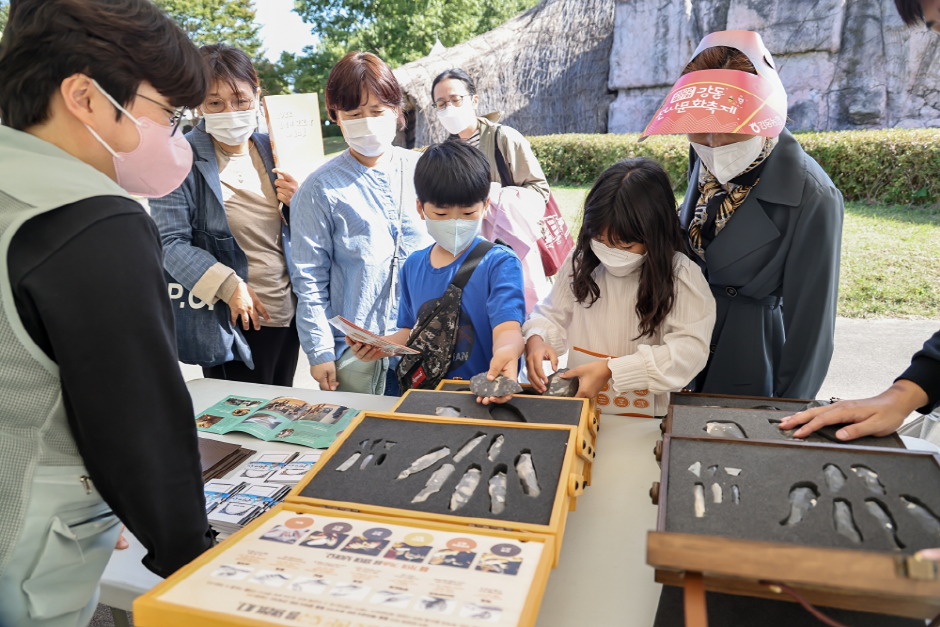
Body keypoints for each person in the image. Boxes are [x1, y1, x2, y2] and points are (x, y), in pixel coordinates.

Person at [0, 1, 214, 625]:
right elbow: (136, 415)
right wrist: (186, 552)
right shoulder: (91, 215)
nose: (175, 136)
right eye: (167, 114)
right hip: (30, 536)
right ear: (84, 97)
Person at [641, 30, 844, 401]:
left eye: (730, 133)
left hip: (745, 352)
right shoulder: (702, 157)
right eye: (700, 133)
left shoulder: (813, 196)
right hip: (679, 337)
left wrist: (784, 413)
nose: (715, 146)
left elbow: (811, 331)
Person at [151, 44, 301, 386]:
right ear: (198, 104)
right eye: (215, 103)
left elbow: (303, 232)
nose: (229, 111)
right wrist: (228, 284)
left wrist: (298, 202)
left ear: (257, 94)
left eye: (240, 100)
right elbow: (168, 243)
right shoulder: (177, 157)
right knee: (239, 431)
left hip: (287, 316)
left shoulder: (275, 149)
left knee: (281, 421)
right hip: (230, 321)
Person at [523, 158, 716, 414]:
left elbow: (687, 353)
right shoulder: (581, 261)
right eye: (599, 239)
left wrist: (612, 369)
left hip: (645, 414)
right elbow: (551, 313)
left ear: (655, 233)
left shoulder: (681, 277)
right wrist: (538, 338)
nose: (609, 252)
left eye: (625, 246)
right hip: (582, 406)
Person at [291, 52, 433, 395]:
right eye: (354, 114)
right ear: (335, 117)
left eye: (377, 111)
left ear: (396, 110)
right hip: (360, 354)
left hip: (430, 344)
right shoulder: (319, 188)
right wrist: (320, 351)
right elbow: (308, 277)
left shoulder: (425, 170)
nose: (367, 122)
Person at [345, 141, 526, 402]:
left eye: (468, 212)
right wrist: (381, 346)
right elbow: (412, 331)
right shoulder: (414, 265)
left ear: (485, 207)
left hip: (482, 398)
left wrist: (508, 351)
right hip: (426, 398)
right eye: (440, 213)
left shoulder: (499, 263)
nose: (455, 223)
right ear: (421, 209)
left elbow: (508, 327)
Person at [432, 68, 552, 313]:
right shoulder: (445, 154)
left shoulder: (505, 139)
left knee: (523, 316)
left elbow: (540, 192)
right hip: (468, 256)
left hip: (512, 249)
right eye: (441, 103)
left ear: (474, 100)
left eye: (455, 100)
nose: (449, 108)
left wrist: (495, 195)